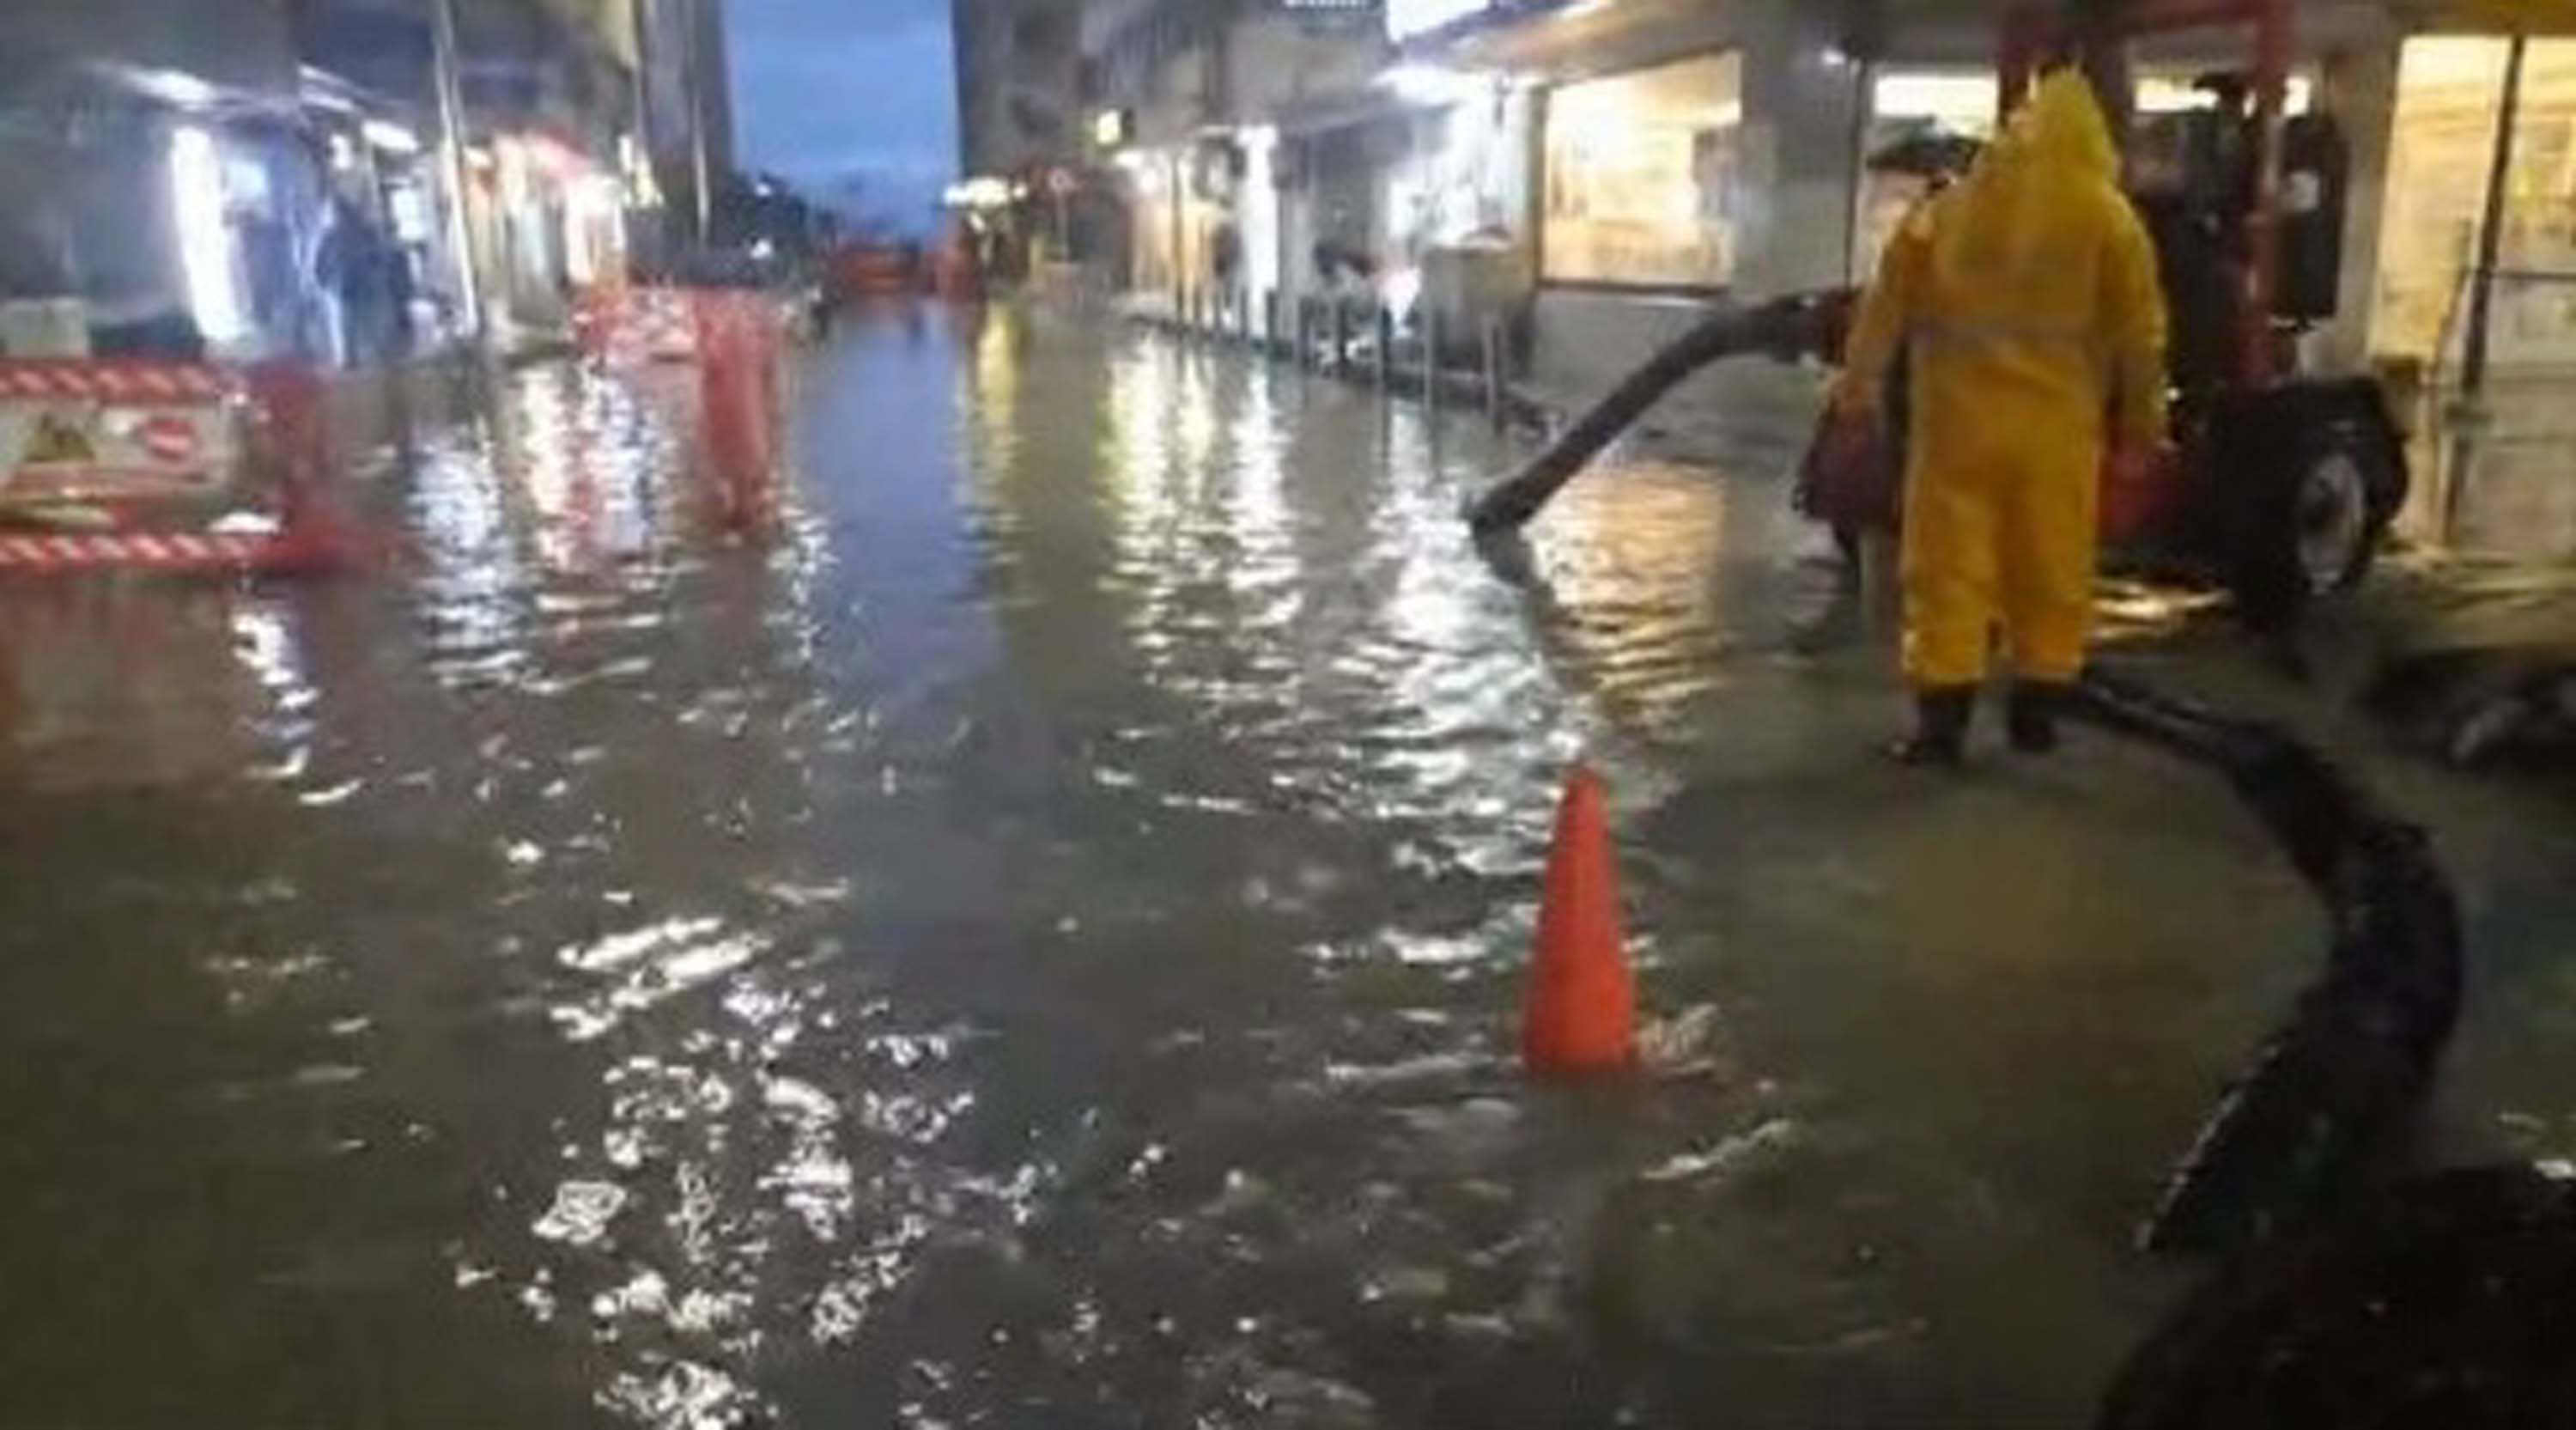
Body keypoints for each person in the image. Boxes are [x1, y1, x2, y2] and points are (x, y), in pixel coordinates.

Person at [1832, 68, 2170, 765]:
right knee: (2049, 565)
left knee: (1947, 570)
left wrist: (1856, 394)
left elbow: (1883, 308)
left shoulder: (1947, 211)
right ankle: (2036, 710)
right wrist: (2144, 430)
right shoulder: (2110, 220)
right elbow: (2142, 339)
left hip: (1956, 430)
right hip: (2055, 435)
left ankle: (1941, 726)